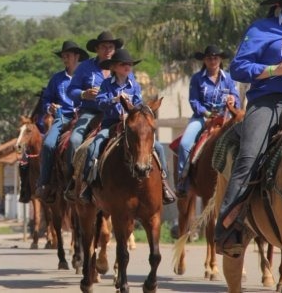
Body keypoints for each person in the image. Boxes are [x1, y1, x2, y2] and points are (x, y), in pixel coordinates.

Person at [215, 0, 282, 258]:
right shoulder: (262, 29)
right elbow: (238, 68)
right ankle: (229, 225)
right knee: (249, 153)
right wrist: (273, 70)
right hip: (268, 101)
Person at [78, 49, 176, 204]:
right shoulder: (106, 84)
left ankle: (163, 183)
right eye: (123, 64)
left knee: (158, 147)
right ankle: (88, 185)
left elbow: (139, 106)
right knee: (93, 147)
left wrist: (135, 111)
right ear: (114, 67)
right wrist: (115, 100)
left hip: (132, 126)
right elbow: (100, 103)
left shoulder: (135, 85)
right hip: (111, 124)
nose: (127, 67)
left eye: (129, 64)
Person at [64, 31, 122, 200]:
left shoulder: (120, 67)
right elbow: (71, 90)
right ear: (96, 49)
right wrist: (84, 94)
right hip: (90, 112)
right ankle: (74, 181)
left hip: (115, 114)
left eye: (111, 46)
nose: (107, 50)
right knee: (74, 140)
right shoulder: (85, 67)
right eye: (104, 47)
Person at [175, 45, 240, 197]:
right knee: (185, 144)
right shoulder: (197, 79)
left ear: (220, 59)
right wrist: (206, 113)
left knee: (242, 142)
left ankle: (242, 182)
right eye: (209, 58)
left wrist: (233, 99)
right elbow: (194, 101)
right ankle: (182, 181)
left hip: (225, 118)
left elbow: (236, 97)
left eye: (216, 57)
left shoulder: (229, 78)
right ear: (204, 60)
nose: (213, 60)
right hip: (202, 117)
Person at [35, 40, 89, 202]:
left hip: (84, 116)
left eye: (68, 55)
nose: (65, 58)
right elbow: (46, 100)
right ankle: (44, 182)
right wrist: (49, 107)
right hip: (62, 117)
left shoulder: (86, 77)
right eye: (63, 56)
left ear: (77, 56)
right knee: (48, 143)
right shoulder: (56, 79)